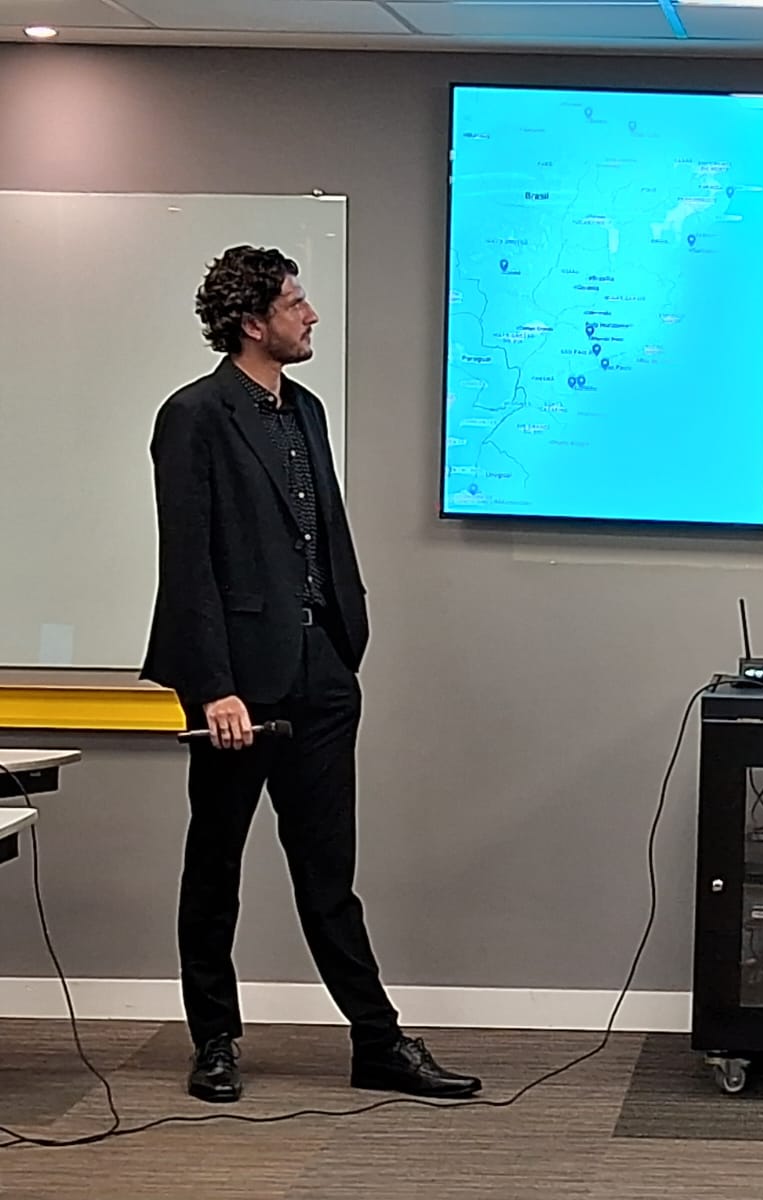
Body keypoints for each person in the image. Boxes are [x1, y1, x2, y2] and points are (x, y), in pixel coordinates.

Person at [141, 245, 480, 1104]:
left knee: (329, 875)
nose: (311, 314)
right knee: (215, 868)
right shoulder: (195, 415)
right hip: (237, 686)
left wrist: (340, 645)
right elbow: (188, 563)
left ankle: (378, 1042)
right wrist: (212, 687)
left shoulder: (307, 410)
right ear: (253, 322)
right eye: (295, 303)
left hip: (321, 671)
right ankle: (215, 1041)